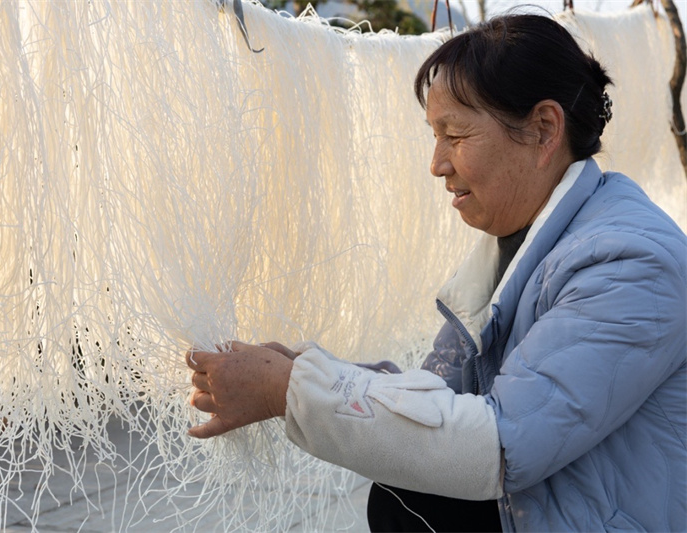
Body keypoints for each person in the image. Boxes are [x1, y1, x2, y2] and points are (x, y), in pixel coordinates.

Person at [185, 13, 687, 532]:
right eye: (434, 135)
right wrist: (307, 371)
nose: (437, 163)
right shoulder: (526, 242)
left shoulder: (630, 262)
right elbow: (440, 397)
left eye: (454, 135)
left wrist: (287, 388)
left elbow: (492, 445)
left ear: (543, 130)